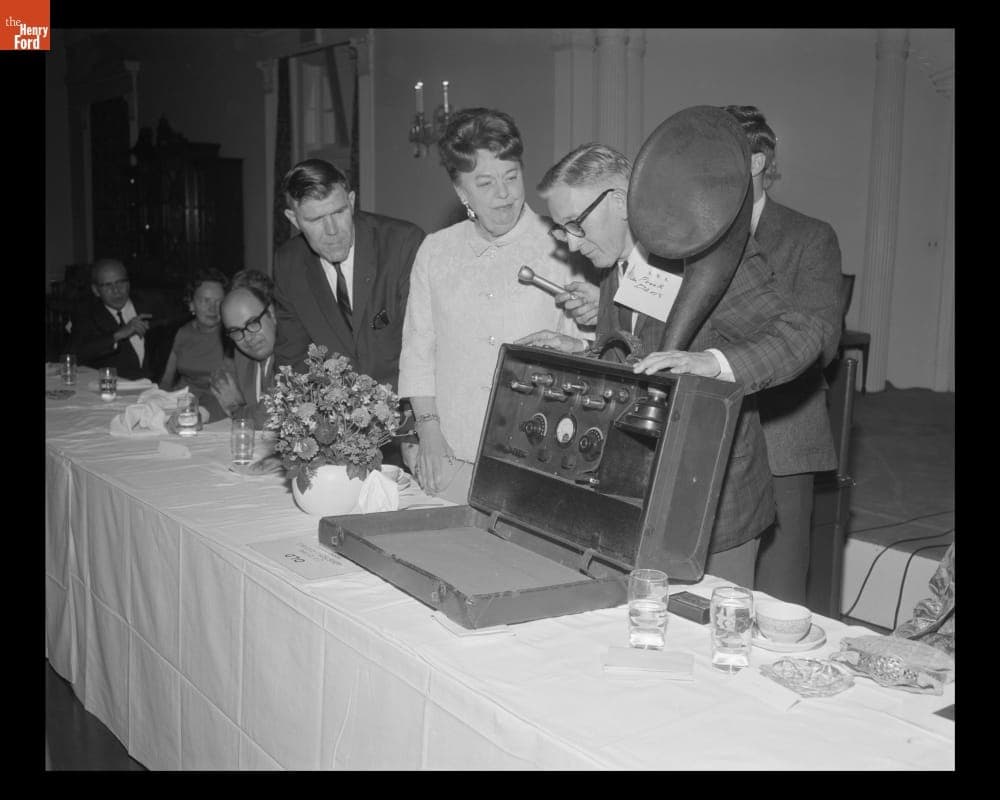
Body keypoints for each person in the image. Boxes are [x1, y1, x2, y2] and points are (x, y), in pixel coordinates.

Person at [517, 141, 833, 587]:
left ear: (621, 201)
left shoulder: (708, 255)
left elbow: (803, 333)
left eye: (574, 224)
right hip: (645, 497)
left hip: (716, 507)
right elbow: (642, 361)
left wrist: (713, 362)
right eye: (560, 227)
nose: (569, 241)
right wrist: (581, 353)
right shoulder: (615, 267)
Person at [397, 108, 597, 503]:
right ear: (460, 192)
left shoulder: (564, 244)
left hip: (537, 453)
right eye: (485, 183)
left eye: (511, 177)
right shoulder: (436, 252)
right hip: (450, 450)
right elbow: (419, 352)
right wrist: (430, 434)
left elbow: (588, 353)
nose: (504, 194)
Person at [725, 105, 842, 605]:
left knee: (777, 600)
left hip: (781, 436)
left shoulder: (810, 237)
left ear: (755, 161)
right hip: (715, 442)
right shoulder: (693, 235)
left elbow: (824, 341)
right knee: (715, 600)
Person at [272, 159, 425, 390]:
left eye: (339, 212)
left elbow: (426, 346)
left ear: (351, 202)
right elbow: (292, 360)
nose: (332, 231)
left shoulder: (402, 244)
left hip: (408, 409)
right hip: (334, 417)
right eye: (315, 220)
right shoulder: (289, 263)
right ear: (294, 220)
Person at [159, 269, 233, 420]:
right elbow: (167, 380)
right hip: (182, 402)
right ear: (191, 304)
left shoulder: (233, 336)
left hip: (217, 408)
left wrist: (199, 413)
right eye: (205, 301)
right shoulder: (182, 332)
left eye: (219, 302)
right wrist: (159, 402)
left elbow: (234, 394)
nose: (213, 309)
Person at [70, 258, 158, 380]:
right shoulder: (86, 315)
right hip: (114, 390)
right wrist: (117, 335)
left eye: (120, 282)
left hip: (157, 388)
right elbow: (75, 355)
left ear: (128, 284)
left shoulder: (151, 304)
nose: (116, 290)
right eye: (107, 285)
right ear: (96, 290)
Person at [212, 270, 278, 430]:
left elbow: (269, 416)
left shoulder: (294, 353)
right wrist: (196, 412)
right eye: (236, 329)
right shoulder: (240, 349)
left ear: (272, 312)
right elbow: (218, 390)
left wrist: (237, 410)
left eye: (253, 322)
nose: (248, 337)